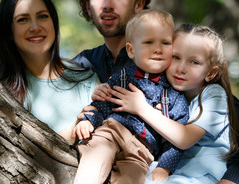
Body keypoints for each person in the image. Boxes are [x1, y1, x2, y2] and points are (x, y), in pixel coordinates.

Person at [72, 0, 239, 184]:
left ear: (140, 3)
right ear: (87, 4)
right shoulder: (83, 65)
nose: (107, 4)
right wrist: (85, 116)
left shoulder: (169, 67)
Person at [105, 24, 239, 183]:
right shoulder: (166, 92)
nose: (181, 68)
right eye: (175, 57)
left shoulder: (214, 94)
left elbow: (185, 138)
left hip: (199, 177)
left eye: (194, 62)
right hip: (170, 172)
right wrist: (105, 91)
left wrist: (142, 108)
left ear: (211, 73)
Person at [73, 10, 189, 184]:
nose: (157, 49)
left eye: (165, 43)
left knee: (132, 178)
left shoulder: (174, 93)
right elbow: (104, 103)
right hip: (112, 131)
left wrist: (164, 167)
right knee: (95, 158)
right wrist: (89, 120)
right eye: (149, 42)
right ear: (131, 50)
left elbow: (175, 138)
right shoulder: (123, 77)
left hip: (141, 151)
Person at [0, 0, 98, 144]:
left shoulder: (86, 81)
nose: (35, 27)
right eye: (22, 19)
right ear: (8, 32)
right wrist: (73, 131)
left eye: (42, 16)